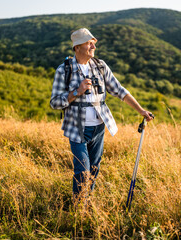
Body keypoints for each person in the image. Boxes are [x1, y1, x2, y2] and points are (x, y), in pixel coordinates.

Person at [50, 28, 153, 200]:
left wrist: (141, 110)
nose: (93, 47)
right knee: (82, 171)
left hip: (99, 128)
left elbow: (119, 90)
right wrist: (76, 92)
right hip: (76, 128)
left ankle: (86, 203)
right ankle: (78, 210)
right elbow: (54, 102)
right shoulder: (64, 70)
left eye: (93, 43)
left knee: (94, 170)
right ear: (77, 47)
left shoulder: (100, 66)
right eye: (88, 43)